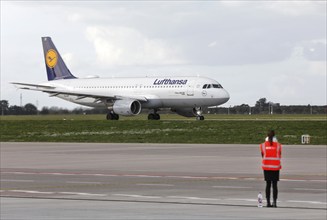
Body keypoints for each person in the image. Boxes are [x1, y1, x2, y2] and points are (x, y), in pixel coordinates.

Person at [260, 130, 282, 208]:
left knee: (268, 185)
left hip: (266, 167)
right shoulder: (278, 145)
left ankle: (268, 203)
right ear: (274, 136)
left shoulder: (262, 145)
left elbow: (262, 155)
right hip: (275, 167)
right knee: (275, 185)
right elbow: (279, 156)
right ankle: (275, 202)